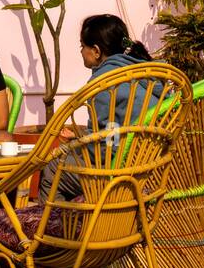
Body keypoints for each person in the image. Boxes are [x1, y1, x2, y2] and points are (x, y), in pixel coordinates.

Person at [40, 13, 158, 202]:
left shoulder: (104, 82)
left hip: (120, 174)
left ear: (96, 51)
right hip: (153, 168)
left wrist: (76, 146)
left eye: (82, 46)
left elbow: (106, 148)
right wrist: (82, 136)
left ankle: (52, 229)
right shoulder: (147, 72)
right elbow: (119, 126)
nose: (80, 51)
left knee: (53, 168)